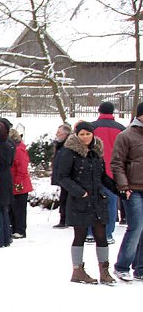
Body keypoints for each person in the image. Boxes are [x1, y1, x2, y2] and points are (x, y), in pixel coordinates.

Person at [55, 121, 118, 284]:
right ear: (76, 135)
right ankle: (77, 270)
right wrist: (80, 192)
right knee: (80, 235)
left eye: (88, 134)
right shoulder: (69, 152)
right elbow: (62, 176)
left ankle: (104, 270)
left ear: (93, 135)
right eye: (81, 134)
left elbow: (102, 176)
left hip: (97, 200)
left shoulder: (96, 152)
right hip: (79, 201)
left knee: (101, 235)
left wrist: (119, 190)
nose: (85, 137)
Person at [111, 102, 143, 282]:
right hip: (133, 189)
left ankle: (140, 268)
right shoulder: (126, 135)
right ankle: (122, 266)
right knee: (136, 227)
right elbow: (117, 163)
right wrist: (123, 186)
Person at [91, 101, 125, 244]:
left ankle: (90, 233)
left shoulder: (92, 127)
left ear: (99, 111)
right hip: (113, 171)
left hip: (93, 170)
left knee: (92, 203)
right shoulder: (121, 129)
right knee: (111, 204)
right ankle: (108, 233)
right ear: (113, 112)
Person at [9, 128, 33, 238]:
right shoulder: (17, 148)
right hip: (16, 182)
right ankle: (15, 228)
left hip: (19, 184)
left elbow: (22, 168)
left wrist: (18, 183)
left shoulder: (18, 150)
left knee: (19, 209)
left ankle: (20, 230)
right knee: (14, 208)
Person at [51, 123, 72, 228]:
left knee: (65, 199)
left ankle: (65, 219)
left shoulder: (68, 145)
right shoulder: (60, 145)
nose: (56, 134)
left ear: (65, 134)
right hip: (62, 176)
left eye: (59, 133)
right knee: (64, 198)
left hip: (67, 177)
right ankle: (64, 218)